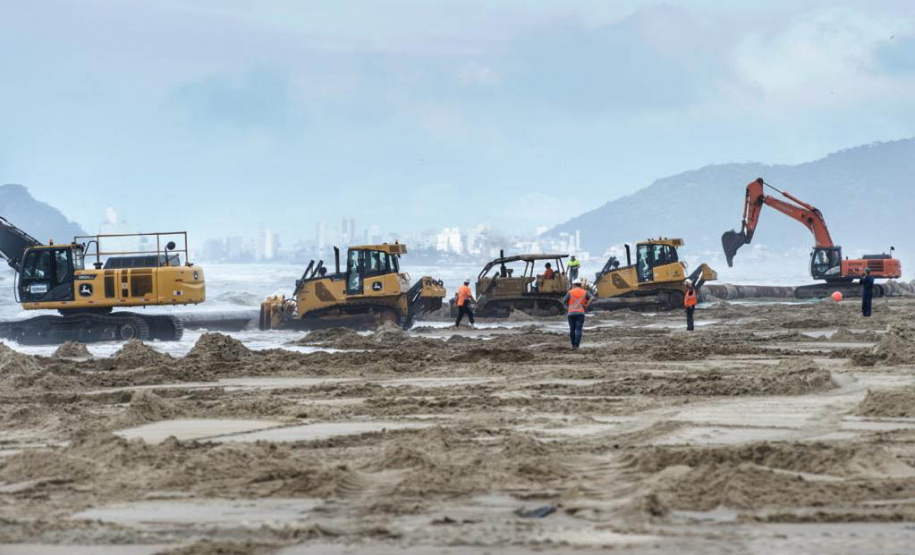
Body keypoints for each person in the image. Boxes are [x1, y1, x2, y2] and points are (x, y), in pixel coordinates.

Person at [562, 279, 593, 349]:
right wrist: (587, 305)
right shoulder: (584, 292)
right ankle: (577, 345)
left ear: (574, 285)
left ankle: (573, 345)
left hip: (571, 313)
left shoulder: (570, 292)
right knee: (578, 329)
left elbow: (564, 301)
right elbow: (592, 297)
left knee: (572, 329)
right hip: (580, 313)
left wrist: (567, 308)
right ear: (580, 285)